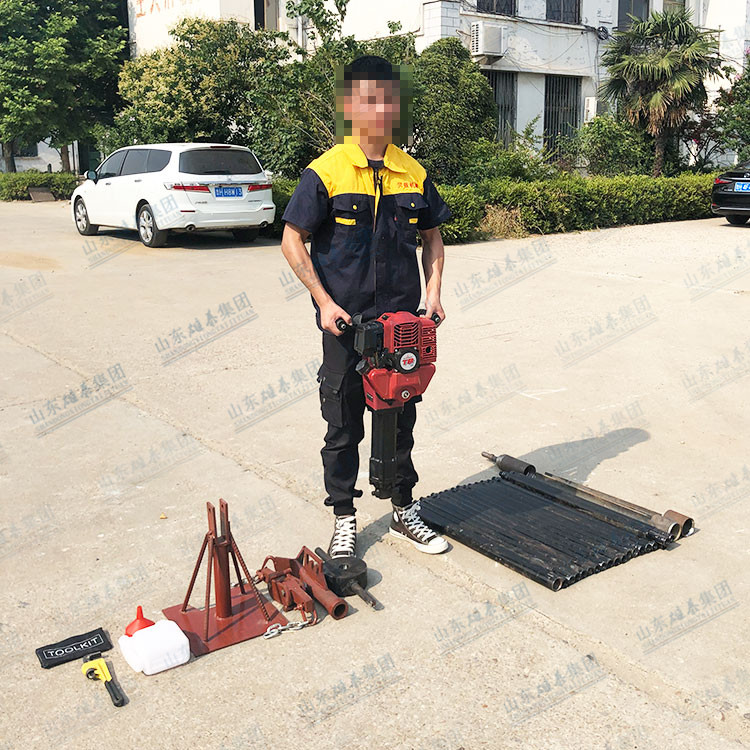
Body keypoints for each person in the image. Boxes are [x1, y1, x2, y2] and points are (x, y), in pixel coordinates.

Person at [280, 55, 451, 558]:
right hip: (346, 326)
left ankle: (403, 509)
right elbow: (292, 239)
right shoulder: (326, 171)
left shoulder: (412, 173)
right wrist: (323, 302)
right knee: (343, 426)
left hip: (402, 326)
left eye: (388, 99)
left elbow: (433, 237)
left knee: (401, 418)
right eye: (369, 100)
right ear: (351, 106)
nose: (380, 109)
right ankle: (344, 518)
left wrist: (434, 294)